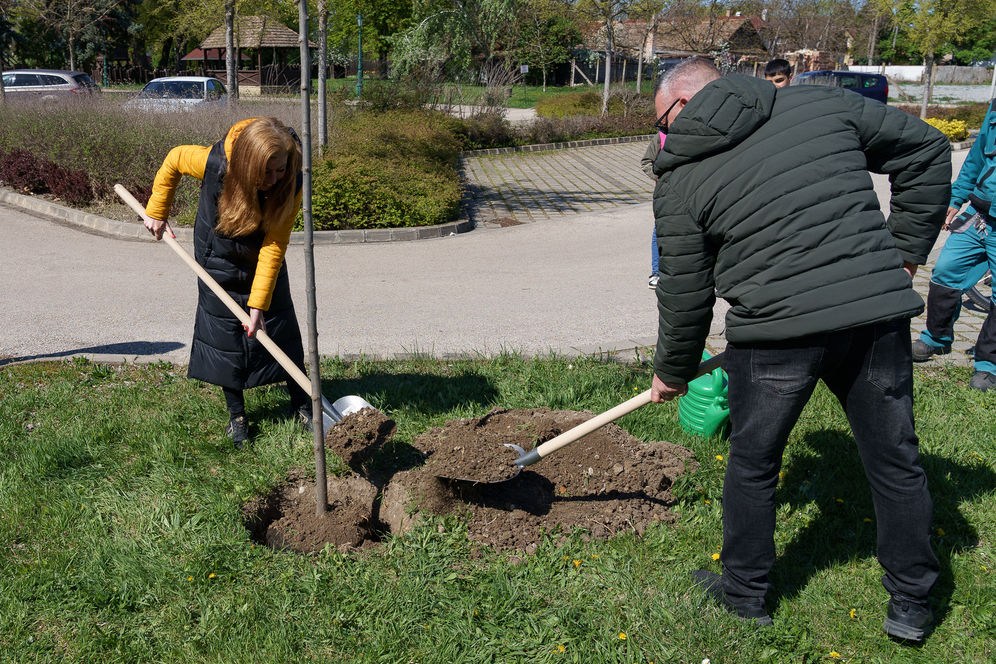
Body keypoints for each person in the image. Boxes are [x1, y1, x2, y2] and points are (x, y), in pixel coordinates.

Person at [647, 58, 950, 642]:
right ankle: (912, 603)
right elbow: (928, 150)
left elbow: (686, 296)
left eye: (661, 122)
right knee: (895, 461)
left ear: (681, 105)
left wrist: (673, 372)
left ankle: (745, 595)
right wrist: (904, 252)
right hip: (874, 318)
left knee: (755, 463)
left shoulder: (679, 181)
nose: (664, 135)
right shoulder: (820, 103)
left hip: (776, 337)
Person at [143, 117, 310, 447]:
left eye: (280, 170)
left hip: (262, 255)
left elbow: (275, 241)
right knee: (225, 337)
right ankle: (237, 416)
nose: (275, 180)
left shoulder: (292, 179)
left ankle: (304, 406)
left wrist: (259, 302)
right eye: (267, 172)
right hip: (216, 254)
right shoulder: (216, 161)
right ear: (246, 165)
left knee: (281, 327)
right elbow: (175, 158)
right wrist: (157, 209)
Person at [911, 98, 996, 391]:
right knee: (946, 270)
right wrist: (956, 198)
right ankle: (937, 339)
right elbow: (977, 156)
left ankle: (988, 364)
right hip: (979, 213)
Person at [641, 129, 666, 289]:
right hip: (665, 193)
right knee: (659, 230)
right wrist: (662, 178)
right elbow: (646, 162)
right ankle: (656, 273)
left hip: (691, 191)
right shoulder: (662, 136)